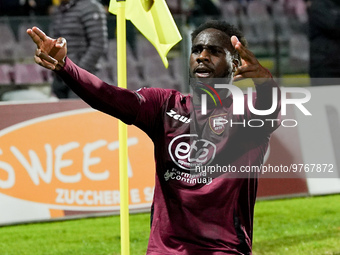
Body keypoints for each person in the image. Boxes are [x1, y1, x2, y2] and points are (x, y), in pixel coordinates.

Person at [27, 20, 280, 254]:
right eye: (197, 50)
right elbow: (109, 96)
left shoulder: (248, 116)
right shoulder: (166, 105)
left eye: (214, 51)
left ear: (235, 63)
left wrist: (263, 80)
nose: (202, 56)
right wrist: (65, 67)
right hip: (165, 249)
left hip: (224, 250)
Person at [50, 0, 108, 98]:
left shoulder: (90, 7)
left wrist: (77, 73)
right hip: (60, 77)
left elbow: (98, 45)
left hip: (82, 79)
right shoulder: (59, 10)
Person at [308, 0, 340, 86]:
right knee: (325, 97)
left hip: (336, 64)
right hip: (325, 67)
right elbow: (334, 25)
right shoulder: (318, 5)